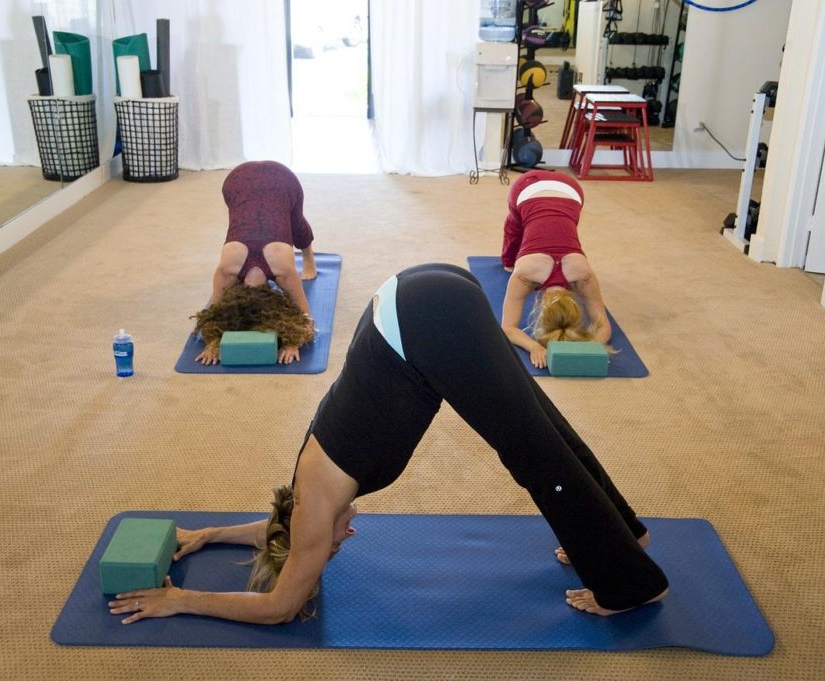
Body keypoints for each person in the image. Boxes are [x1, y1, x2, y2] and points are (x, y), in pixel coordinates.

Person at [109, 264, 668, 625]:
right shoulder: (308, 495)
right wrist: (206, 536)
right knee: (540, 425)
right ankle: (626, 532)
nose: (342, 539)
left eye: (329, 549)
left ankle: (627, 584)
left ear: (307, 536)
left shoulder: (316, 507)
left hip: (427, 319)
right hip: (418, 297)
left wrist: (180, 600)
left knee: (534, 456)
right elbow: (278, 528)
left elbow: (279, 607)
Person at [194, 160, 317, 366]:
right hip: (237, 182)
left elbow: (307, 320)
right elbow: (213, 314)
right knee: (247, 214)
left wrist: (293, 340)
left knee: (295, 225)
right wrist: (214, 342)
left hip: (279, 181)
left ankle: (309, 258)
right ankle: (308, 257)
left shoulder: (282, 269)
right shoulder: (228, 268)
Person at [500, 169, 612, 369]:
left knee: (524, 225)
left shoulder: (582, 274)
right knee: (516, 225)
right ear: (540, 308)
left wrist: (535, 348)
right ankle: (507, 259)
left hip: (570, 190)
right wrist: (535, 346)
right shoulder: (526, 274)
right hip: (540, 188)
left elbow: (508, 328)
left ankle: (507, 260)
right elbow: (507, 329)